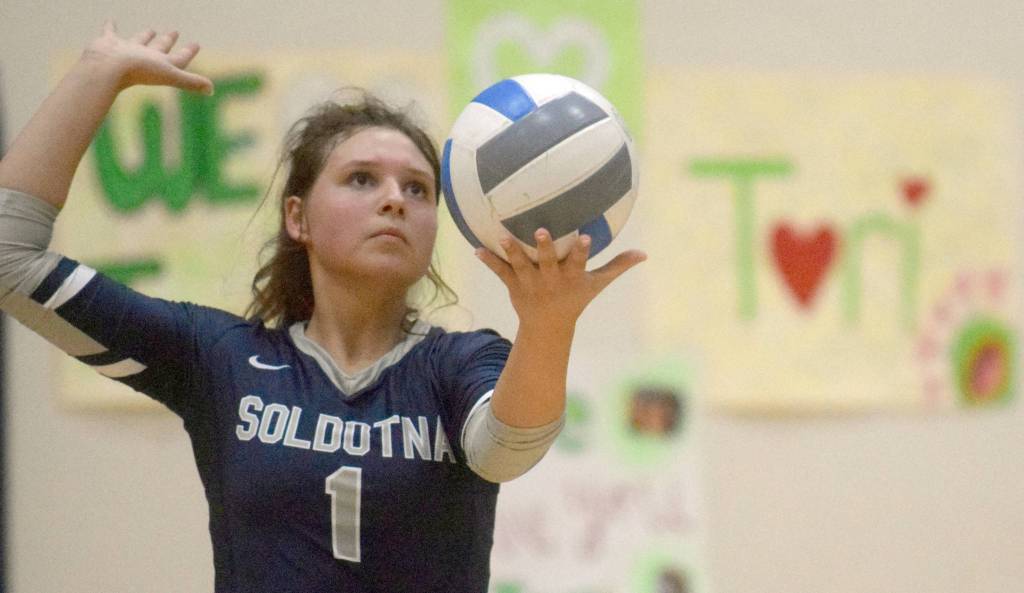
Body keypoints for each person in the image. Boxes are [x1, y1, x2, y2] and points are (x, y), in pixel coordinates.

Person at [0, 23, 645, 592]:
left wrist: (549, 324)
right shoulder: (220, 358)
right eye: (362, 179)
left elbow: (505, 454)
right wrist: (95, 74)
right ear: (298, 217)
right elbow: (10, 260)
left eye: (417, 189)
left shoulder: (460, 363)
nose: (394, 199)